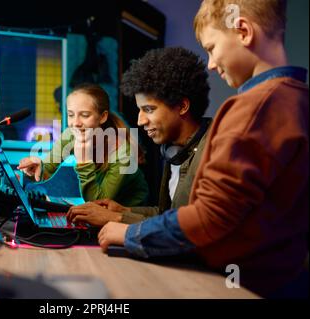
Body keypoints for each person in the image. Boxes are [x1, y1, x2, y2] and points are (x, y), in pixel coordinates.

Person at [98, 0, 309, 298]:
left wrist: (129, 232)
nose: (210, 63)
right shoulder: (298, 98)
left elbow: (210, 217)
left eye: (212, 48)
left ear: (244, 31)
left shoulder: (252, 107)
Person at [66, 47, 212, 227]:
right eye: (139, 109)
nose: (140, 120)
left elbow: (190, 228)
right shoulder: (174, 151)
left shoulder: (212, 153)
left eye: (149, 109)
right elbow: (166, 215)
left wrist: (117, 219)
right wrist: (124, 211)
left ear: (182, 106)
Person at [18, 83, 149, 207]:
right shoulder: (70, 134)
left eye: (85, 115)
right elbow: (47, 169)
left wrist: (84, 161)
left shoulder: (122, 151)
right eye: (71, 115)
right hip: (97, 207)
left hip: (130, 211)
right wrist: (37, 168)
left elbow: (99, 202)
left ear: (102, 117)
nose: (75, 123)